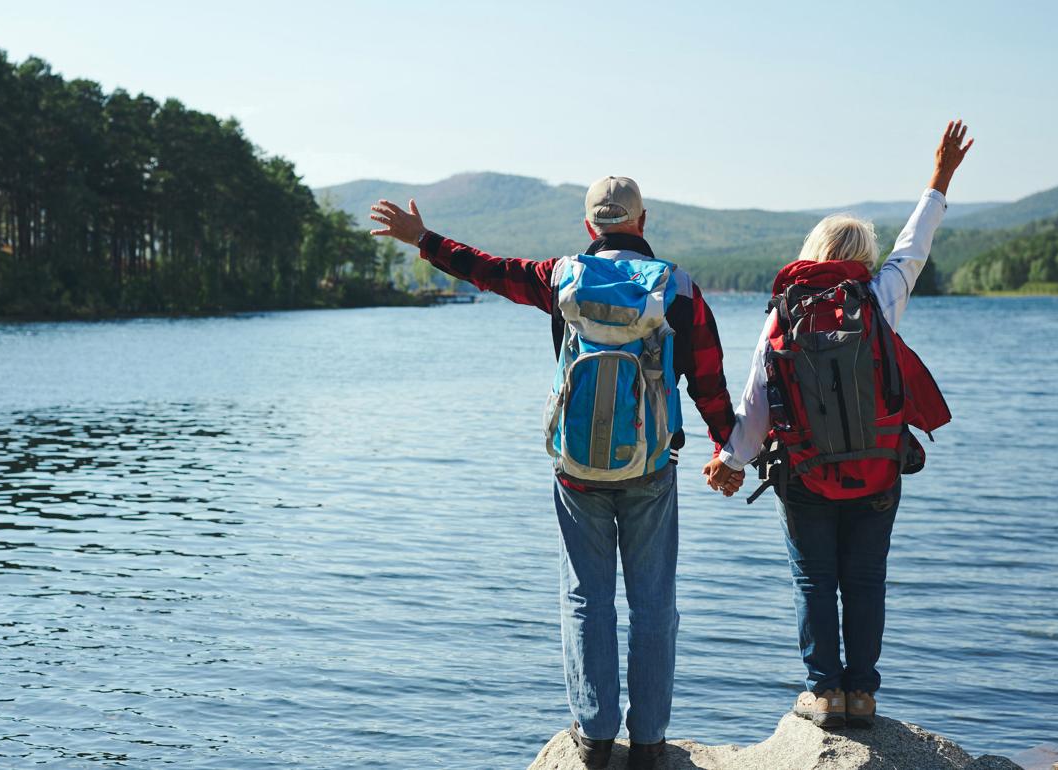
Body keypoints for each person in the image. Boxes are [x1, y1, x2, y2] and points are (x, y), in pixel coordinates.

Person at [369, 177, 744, 770]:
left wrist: (425, 240)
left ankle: (595, 737)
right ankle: (648, 743)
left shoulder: (561, 275)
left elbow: (490, 270)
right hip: (651, 467)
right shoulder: (679, 287)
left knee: (585, 599)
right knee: (653, 603)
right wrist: (731, 450)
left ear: (589, 226)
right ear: (643, 224)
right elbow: (710, 383)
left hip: (575, 468)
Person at [703, 120, 974, 729]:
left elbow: (755, 405)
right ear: (863, 261)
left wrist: (729, 461)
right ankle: (864, 695)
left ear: (812, 253)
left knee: (815, 581)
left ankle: (823, 693)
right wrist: (940, 177)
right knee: (866, 581)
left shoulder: (783, 315)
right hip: (877, 473)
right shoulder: (877, 299)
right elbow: (916, 245)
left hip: (804, 476)